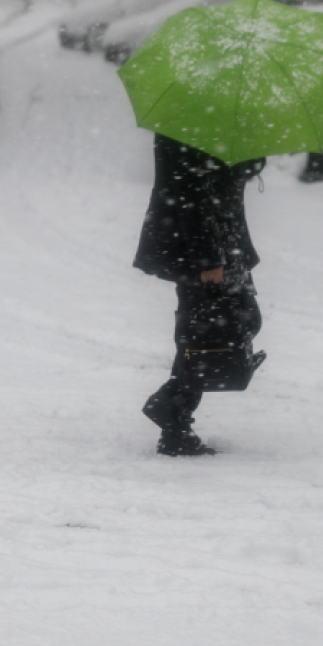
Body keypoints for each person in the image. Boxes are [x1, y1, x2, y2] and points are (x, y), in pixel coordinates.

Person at [134, 134, 266, 456]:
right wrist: (209, 260)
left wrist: (251, 155)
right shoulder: (187, 126)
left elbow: (224, 179)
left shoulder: (219, 118)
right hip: (204, 248)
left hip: (224, 240)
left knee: (224, 326)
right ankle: (173, 414)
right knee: (210, 330)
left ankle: (174, 412)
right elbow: (189, 193)